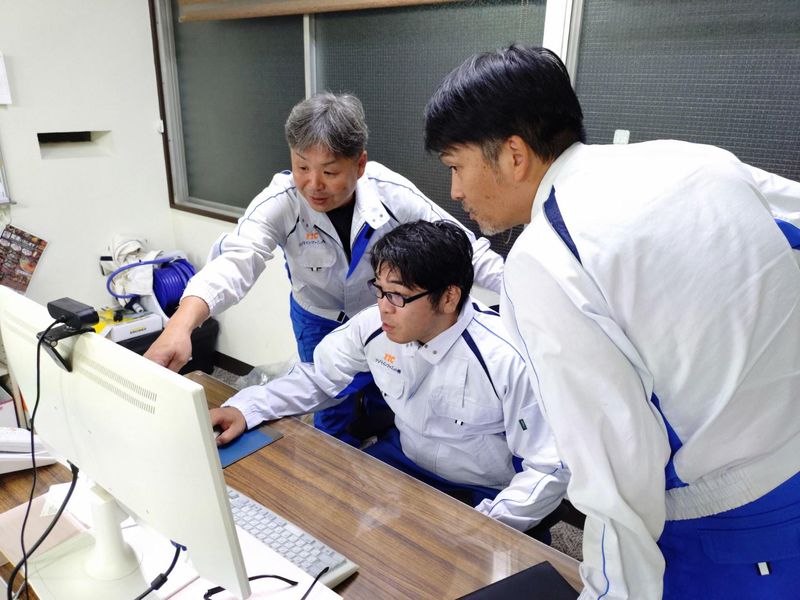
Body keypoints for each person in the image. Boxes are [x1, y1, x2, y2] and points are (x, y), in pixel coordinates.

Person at [423, 44, 800, 599]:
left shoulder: (548, 257)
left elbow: (615, 472)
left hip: (728, 531)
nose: (455, 192)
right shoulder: (691, 158)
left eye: (457, 166)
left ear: (514, 155)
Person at [145, 92, 504, 446]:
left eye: (330, 172)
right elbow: (236, 260)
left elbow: (462, 249)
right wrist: (180, 326)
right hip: (316, 317)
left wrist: (523, 292)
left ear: (360, 165)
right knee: (326, 402)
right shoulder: (282, 201)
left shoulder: (391, 194)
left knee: (391, 392)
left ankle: (389, 452)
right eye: (302, 167)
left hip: (382, 315)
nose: (313, 185)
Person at [211, 220, 568, 533]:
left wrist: (490, 524)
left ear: (449, 298)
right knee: (320, 520)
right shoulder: (374, 326)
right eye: (379, 290)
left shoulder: (507, 358)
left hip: (482, 489)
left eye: (397, 295)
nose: (383, 306)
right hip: (404, 462)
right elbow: (319, 376)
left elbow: (549, 466)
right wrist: (248, 408)